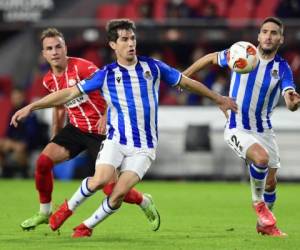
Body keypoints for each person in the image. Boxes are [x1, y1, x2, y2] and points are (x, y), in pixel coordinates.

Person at [11, 19, 237, 238]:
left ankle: (88, 224)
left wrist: (218, 98)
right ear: (113, 45)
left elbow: (186, 82)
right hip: (115, 139)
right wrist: (32, 106)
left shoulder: (153, 67)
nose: (130, 43)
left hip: (142, 146)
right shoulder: (106, 74)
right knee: (96, 179)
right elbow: (67, 95)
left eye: (132, 38)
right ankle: (62, 210)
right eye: (124, 39)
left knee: (116, 193)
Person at [20, 27, 160, 232]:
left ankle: (144, 202)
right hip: (76, 129)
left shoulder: (84, 67)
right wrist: (56, 133)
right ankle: (44, 212)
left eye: (58, 46)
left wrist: (105, 114)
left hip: (103, 131)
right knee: (43, 162)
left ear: (65, 48)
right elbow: (60, 105)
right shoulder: (48, 79)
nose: (55, 51)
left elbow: (112, 87)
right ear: (44, 54)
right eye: (49, 48)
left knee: (111, 189)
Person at [183, 17, 300, 237]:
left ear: (281, 39)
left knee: (271, 183)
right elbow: (209, 58)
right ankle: (259, 205)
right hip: (237, 125)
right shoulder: (241, 52)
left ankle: (264, 225)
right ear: (258, 36)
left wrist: (293, 102)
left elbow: (289, 99)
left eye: (274, 33)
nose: (268, 36)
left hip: (264, 130)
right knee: (261, 159)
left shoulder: (282, 68)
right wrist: (184, 76)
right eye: (264, 31)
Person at [0, 88, 41, 178]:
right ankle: (4, 172)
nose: (15, 100)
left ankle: (25, 173)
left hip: (29, 144)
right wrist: (8, 142)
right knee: (1, 143)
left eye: (17, 98)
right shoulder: (12, 112)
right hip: (15, 142)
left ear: (23, 97)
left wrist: (21, 144)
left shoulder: (30, 113)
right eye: (13, 98)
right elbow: (9, 131)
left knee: (20, 149)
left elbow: (32, 135)